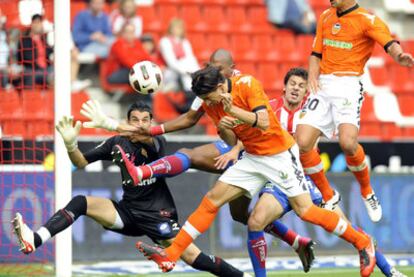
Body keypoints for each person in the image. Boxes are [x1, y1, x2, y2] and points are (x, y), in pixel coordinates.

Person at [113, 66, 376, 276]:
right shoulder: (212, 99)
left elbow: (262, 122)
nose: (206, 103)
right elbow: (192, 121)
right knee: (212, 200)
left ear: (219, 87)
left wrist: (233, 110)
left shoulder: (247, 85)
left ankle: (362, 242)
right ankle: (170, 257)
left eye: (209, 97)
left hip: (279, 155)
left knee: (305, 210)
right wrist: (153, 130)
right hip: (251, 157)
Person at [11, 101, 251, 277]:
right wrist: (71, 144)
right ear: (128, 121)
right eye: (134, 120)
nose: (140, 125)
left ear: (151, 123)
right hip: (128, 213)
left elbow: (147, 138)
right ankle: (35, 239)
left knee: (196, 259)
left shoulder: (157, 142)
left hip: (159, 215)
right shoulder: (117, 142)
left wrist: (109, 123)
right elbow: (81, 162)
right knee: (81, 202)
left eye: (145, 120)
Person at [296, 0, 414, 223]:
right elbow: (316, 53)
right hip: (322, 85)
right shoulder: (325, 16)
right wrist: (312, 74)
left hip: (348, 85)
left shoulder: (367, 20)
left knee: (348, 144)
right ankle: (328, 196)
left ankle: (367, 191)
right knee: (302, 143)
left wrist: (399, 56)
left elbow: (389, 43)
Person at [159, 18, 199, 113]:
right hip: (170, 70)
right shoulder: (165, 41)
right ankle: (189, 100)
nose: (178, 30)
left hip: (185, 67)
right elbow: (171, 61)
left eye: (180, 28)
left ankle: (192, 99)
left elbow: (191, 57)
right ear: (171, 29)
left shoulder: (185, 42)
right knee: (186, 76)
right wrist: (186, 72)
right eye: (176, 28)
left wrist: (196, 72)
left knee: (193, 72)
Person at [16, 14, 53, 89]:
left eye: (39, 22)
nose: (38, 25)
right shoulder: (25, 40)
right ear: (32, 24)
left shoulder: (44, 40)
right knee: (29, 75)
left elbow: (50, 54)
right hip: (32, 70)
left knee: (58, 72)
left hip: (47, 70)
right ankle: (30, 98)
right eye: (36, 22)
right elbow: (27, 58)